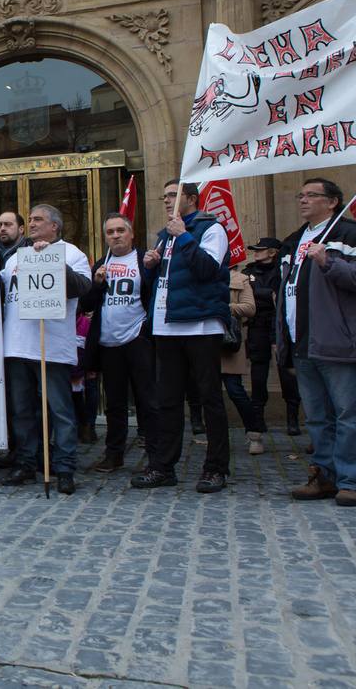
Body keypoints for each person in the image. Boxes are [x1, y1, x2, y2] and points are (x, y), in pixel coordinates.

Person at [280, 177, 356, 507]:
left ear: (333, 201)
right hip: (303, 341)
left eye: (312, 195)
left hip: (337, 340)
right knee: (316, 416)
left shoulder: (352, 234)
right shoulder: (294, 240)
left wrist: (328, 261)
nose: (303, 200)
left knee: (348, 414)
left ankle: (352, 479)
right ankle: (323, 474)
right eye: (301, 195)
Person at [132, 179, 232, 494]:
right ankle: (163, 466)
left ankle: (216, 468)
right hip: (166, 325)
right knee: (167, 400)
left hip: (199, 325)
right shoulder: (165, 236)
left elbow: (207, 270)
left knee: (209, 398)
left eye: (172, 196)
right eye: (164, 196)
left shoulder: (210, 229)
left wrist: (185, 237)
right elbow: (161, 281)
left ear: (190, 198)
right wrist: (149, 267)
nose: (166, 201)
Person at [0, 206, 92, 495]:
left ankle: (64, 468)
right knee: (22, 411)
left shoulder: (72, 253)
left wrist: (54, 262)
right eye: (32, 219)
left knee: (60, 411)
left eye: (39, 219)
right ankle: (26, 463)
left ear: (55, 227)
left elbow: (83, 288)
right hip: (17, 346)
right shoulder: (15, 257)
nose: (33, 224)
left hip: (51, 348)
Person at [80, 213, 155, 473]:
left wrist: (147, 331)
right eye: (110, 232)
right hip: (108, 343)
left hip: (137, 339)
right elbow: (86, 305)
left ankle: (155, 454)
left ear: (131, 233)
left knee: (147, 398)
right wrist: (97, 285)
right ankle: (114, 453)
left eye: (120, 230)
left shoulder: (144, 261)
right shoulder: (101, 263)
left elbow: (154, 296)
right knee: (114, 403)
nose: (115, 235)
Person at [242, 238, 302, 436]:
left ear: (272, 252)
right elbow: (245, 293)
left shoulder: (284, 270)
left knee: (285, 367)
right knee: (258, 370)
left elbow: (288, 292)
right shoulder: (249, 271)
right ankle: (258, 417)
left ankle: (292, 417)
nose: (256, 252)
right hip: (257, 323)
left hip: (280, 323)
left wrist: (260, 295)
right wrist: (269, 295)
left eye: (261, 250)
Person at [220, 266, 263, 455]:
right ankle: (217, 439)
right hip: (204, 341)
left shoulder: (240, 279)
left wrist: (224, 308)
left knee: (235, 390)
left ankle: (255, 432)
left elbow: (250, 308)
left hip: (228, 342)